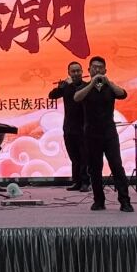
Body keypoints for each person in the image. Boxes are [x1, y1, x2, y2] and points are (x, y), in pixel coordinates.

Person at [75, 56, 133, 212]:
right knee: (95, 169)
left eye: (100, 67)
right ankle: (99, 201)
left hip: (109, 133)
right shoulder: (84, 87)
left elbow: (123, 94)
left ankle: (125, 201)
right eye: (94, 67)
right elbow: (76, 98)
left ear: (105, 70)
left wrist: (108, 82)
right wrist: (92, 83)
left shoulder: (110, 87)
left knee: (117, 166)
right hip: (91, 134)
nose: (97, 70)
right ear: (89, 70)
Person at [48, 61, 89, 191]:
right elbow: (52, 96)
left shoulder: (87, 86)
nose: (76, 73)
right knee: (74, 157)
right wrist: (61, 87)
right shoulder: (66, 87)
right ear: (69, 73)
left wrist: (70, 85)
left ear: (82, 72)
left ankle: (85, 182)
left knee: (84, 157)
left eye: (78, 71)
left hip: (83, 127)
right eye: (73, 71)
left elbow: (79, 95)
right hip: (69, 127)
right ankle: (77, 181)